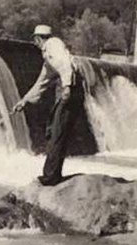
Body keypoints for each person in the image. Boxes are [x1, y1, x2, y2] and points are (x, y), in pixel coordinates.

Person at [11, 25, 84, 186]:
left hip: (70, 88)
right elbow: (42, 82)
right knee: (54, 129)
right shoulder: (48, 56)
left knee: (57, 131)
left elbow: (64, 64)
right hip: (73, 87)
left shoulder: (52, 45)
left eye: (35, 40)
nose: (35, 44)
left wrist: (66, 88)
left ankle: (50, 177)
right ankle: (54, 173)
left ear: (38, 38)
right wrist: (24, 101)